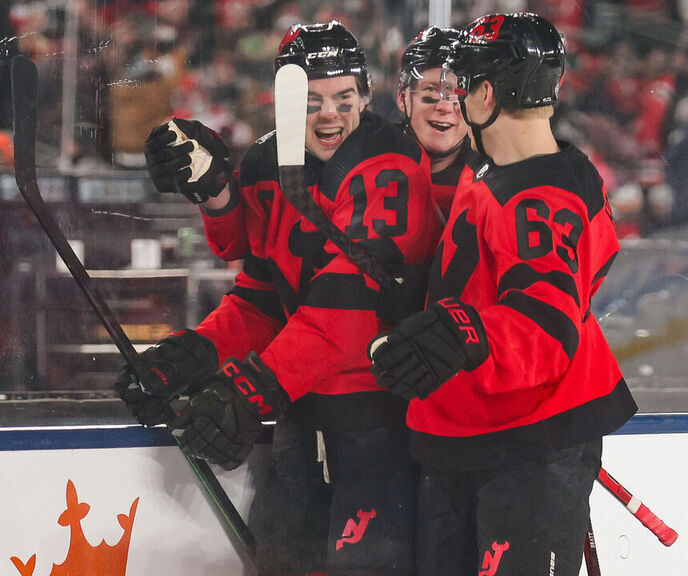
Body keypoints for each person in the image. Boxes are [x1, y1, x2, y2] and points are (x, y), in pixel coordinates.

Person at [117, 21, 443, 576]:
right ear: (283, 104)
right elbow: (263, 300)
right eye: (311, 100)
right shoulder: (268, 164)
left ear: (367, 97)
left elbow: (347, 315)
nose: (330, 114)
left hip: (379, 427)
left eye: (344, 98)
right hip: (300, 420)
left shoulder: (390, 163)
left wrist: (249, 390)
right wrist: (192, 356)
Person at [368, 13, 638, 576]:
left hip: (524, 448)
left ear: (487, 93)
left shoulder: (535, 197)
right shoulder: (527, 169)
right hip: (476, 436)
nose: (455, 101)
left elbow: (545, 328)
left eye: (463, 87)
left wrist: (463, 333)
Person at [396, 25, 474, 219]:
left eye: (457, 93)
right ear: (402, 98)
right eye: (431, 89)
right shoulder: (367, 161)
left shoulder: (490, 179)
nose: (445, 106)